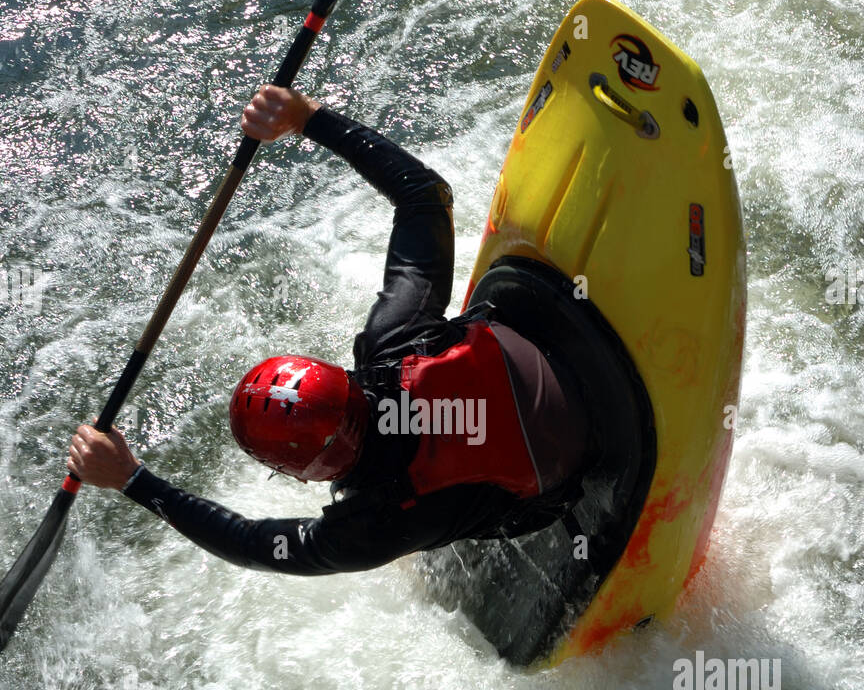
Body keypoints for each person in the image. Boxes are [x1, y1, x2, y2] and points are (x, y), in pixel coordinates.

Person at [67, 86, 589, 576]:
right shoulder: (396, 340)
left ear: (306, 473)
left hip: (560, 484)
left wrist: (133, 480)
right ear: (341, 379)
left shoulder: (371, 526)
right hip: (565, 353)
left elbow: (251, 542)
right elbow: (423, 195)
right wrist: (309, 118)